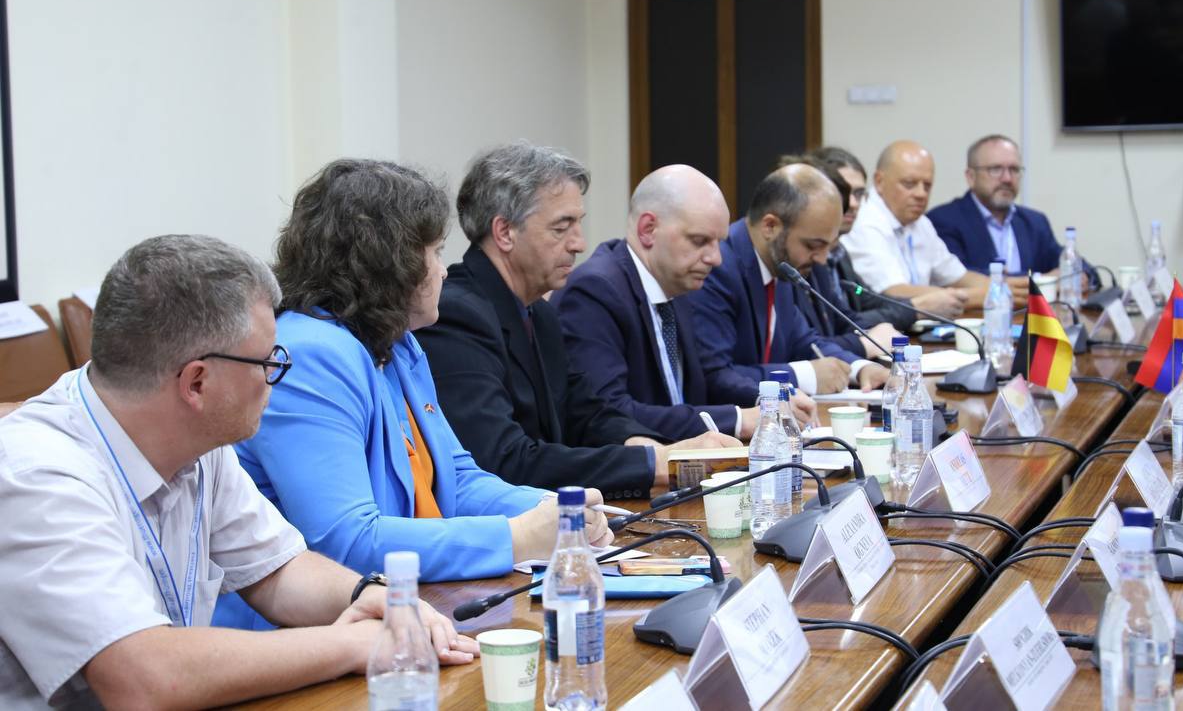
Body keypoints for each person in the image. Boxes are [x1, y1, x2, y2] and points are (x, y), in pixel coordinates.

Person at [0, 235, 477, 709]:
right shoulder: (38, 477)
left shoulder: (196, 439)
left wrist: (371, 597)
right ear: (197, 382)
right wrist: (353, 645)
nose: (275, 378)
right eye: (267, 361)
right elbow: (141, 678)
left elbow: (278, 572)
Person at [226, 161, 608, 619]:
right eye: (435, 252)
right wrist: (518, 538)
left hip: (411, 605)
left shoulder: (398, 345)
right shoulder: (311, 355)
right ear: (389, 262)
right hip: (308, 634)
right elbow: (346, 542)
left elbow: (456, 480)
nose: (443, 271)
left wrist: (558, 510)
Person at [416, 144, 739, 500]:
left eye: (578, 224)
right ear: (505, 232)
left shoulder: (538, 312)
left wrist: (653, 448)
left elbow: (587, 414)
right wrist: (655, 462)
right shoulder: (457, 315)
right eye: (562, 227)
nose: (579, 244)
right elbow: (504, 461)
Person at [553, 165, 818, 442]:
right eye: (699, 241)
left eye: (718, 243)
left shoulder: (675, 286)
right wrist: (738, 420)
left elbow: (708, 376)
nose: (716, 259)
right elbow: (611, 414)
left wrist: (768, 398)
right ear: (648, 229)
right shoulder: (596, 291)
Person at [690, 163, 890, 407]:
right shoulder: (718, 267)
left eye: (829, 245)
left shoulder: (779, 263)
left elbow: (804, 342)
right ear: (770, 226)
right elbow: (714, 377)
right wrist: (803, 376)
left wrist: (859, 368)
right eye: (813, 245)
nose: (822, 259)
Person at [844, 140, 1029, 318]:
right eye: (909, 184)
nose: (921, 194)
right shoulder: (864, 221)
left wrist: (1002, 287)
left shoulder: (921, 223)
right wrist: (982, 296)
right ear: (879, 181)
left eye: (927, 186)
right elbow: (894, 292)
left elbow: (958, 276)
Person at [927, 134, 1098, 286]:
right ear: (971, 177)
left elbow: (1073, 263)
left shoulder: (1034, 222)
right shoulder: (944, 220)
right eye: (995, 169)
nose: (1007, 178)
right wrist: (1043, 280)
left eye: (1014, 170)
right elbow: (957, 277)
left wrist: (1082, 275)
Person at [781, 151, 909, 352]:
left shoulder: (836, 254)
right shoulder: (790, 261)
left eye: (858, 194)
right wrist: (864, 343)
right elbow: (801, 346)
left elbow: (853, 307)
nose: (852, 204)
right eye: (843, 195)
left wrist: (907, 312)